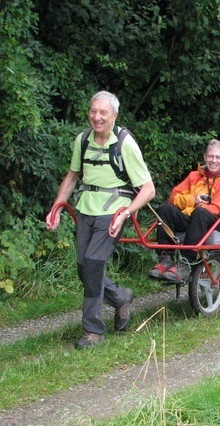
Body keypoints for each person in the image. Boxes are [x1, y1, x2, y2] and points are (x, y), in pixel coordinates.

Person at [46, 91, 156, 349]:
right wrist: (56, 208)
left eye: (103, 113)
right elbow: (73, 176)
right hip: (86, 208)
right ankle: (121, 297)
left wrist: (127, 212)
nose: (97, 117)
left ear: (114, 116)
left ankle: (93, 331)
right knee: (84, 269)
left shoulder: (125, 143)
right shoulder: (82, 140)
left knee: (94, 265)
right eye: (93, 111)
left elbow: (149, 189)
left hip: (114, 211)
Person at [147, 139, 220, 282]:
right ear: (205, 157)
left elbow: (218, 208)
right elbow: (173, 197)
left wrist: (195, 208)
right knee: (166, 209)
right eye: (210, 156)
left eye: (218, 157)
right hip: (194, 218)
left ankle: (185, 262)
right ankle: (166, 258)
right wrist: (193, 201)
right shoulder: (193, 176)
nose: (213, 160)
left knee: (201, 212)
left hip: (219, 224)